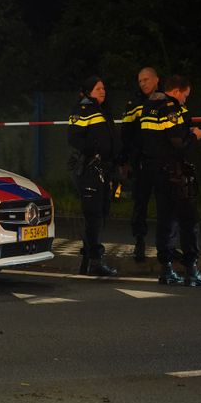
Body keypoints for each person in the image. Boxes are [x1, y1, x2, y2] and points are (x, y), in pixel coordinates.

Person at [139, 75, 201, 287]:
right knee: (188, 221)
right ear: (177, 91)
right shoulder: (170, 108)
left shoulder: (148, 106)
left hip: (155, 173)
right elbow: (178, 143)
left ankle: (167, 269)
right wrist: (195, 135)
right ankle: (192, 269)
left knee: (165, 220)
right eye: (185, 96)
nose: (185, 100)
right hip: (175, 174)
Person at [67, 75, 118, 277]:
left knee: (100, 214)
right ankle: (94, 261)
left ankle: (88, 259)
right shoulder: (83, 109)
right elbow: (73, 138)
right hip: (89, 170)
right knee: (93, 216)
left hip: (104, 170)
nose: (102, 91)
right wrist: (94, 151)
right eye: (98, 89)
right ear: (88, 92)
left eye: (103, 88)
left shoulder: (102, 110)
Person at [120, 67, 160, 262]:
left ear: (156, 80)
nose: (143, 83)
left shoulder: (165, 101)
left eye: (146, 79)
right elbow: (125, 134)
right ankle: (140, 243)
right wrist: (125, 161)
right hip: (141, 163)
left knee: (166, 205)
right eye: (140, 80)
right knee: (140, 204)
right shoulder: (134, 104)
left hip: (162, 163)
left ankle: (166, 245)